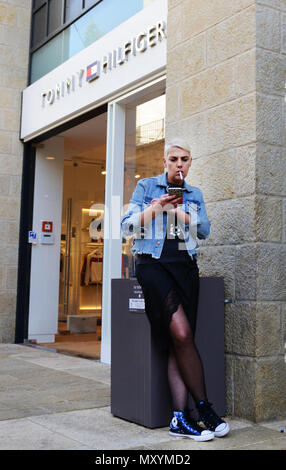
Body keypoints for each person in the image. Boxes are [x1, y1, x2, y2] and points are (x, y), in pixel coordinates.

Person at [121, 139, 229, 442]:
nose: (179, 163)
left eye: (184, 159)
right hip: (153, 265)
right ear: (164, 162)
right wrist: (157, 209)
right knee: (181, 334)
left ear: (190, 163)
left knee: (179, 342)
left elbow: (204, 230)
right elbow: (126, 227)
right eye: (173, 159)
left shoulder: (194, 194)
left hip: (185, 268)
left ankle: (180, 418)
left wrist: (180, 213)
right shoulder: (146, 187)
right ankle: (205, 408)